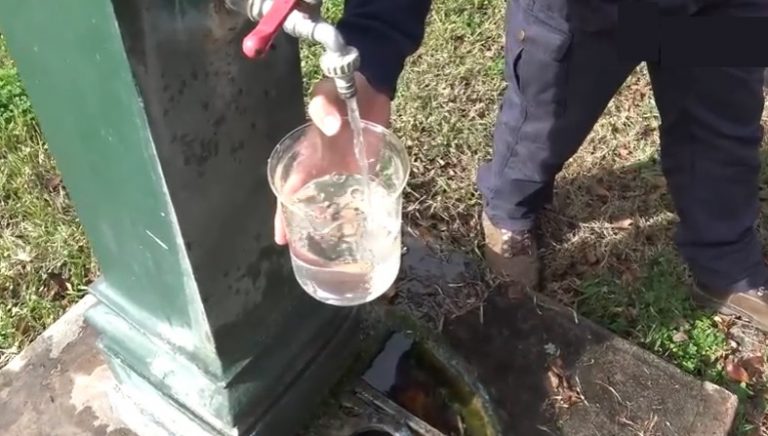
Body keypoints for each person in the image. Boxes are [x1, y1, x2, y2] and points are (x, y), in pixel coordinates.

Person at [273, 0, 768, 331]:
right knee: (542, 123)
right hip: (582, 11)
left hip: (715, 8)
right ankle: (509, 210)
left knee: (722, 127)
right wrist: (376, 46)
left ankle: (724, 255)